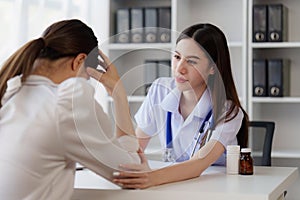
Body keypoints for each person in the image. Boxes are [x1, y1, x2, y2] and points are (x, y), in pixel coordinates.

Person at [0, 19, 141, 199]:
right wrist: (118, 93)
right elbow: (132, 172)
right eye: (87, 76)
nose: (86, 81)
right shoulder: (67, 101)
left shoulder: (11, 92)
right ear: (80, 60)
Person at [112, 23, 249, 188]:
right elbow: (134, 148)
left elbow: (198, 164)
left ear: (212, 68)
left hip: (213, 188)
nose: (180, 68)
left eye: (191, 61)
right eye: (177, 57)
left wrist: (151, 178)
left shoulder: (228, 111)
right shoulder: (159, 89)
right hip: (171, 184)